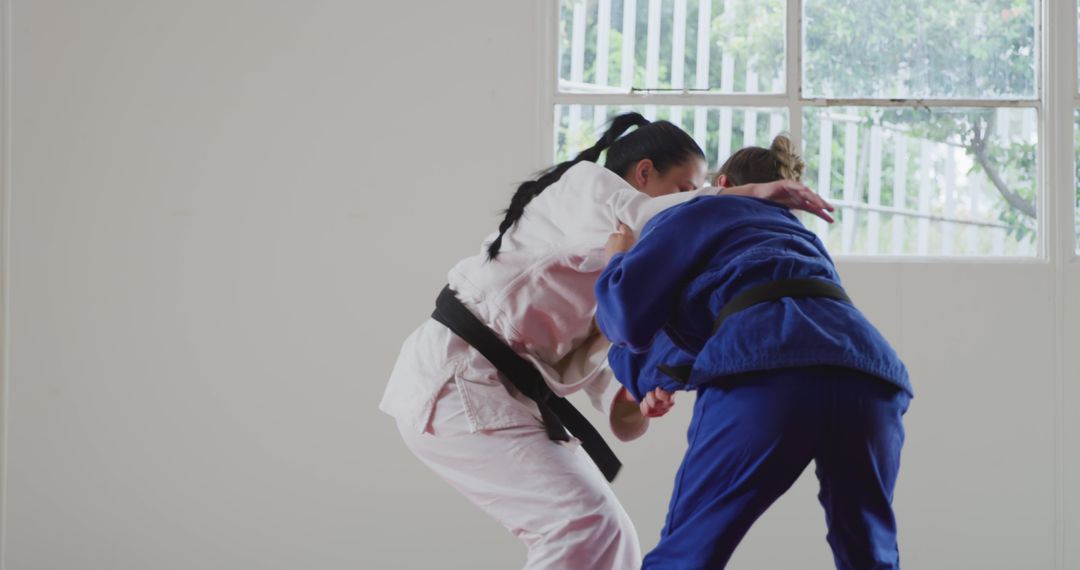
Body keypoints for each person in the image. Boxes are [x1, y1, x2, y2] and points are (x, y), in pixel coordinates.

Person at [380, 114, 833, 569]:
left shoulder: (616, 281)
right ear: (643, 174)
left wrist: (644, 399)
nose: (689, 201)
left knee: (611, 536)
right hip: (457, 379)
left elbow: (619, 408)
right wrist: (750, 195)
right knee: (582, 526)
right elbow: (658, 217)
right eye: (683, 188)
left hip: (497, 391)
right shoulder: (585, 188)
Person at [597, 135, 912, 570]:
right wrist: (661, 376)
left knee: (688, 552)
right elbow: (759, 308)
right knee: (869, 556)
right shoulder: (800, 236)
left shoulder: (699, 210)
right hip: (870, 371)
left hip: (769, 374)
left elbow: (625, 321)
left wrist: (616, 260)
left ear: (720, 184)